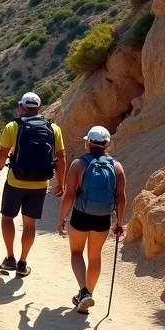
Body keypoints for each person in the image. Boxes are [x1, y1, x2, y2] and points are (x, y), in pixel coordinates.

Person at [0, 92, 66, 276]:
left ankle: (9, 259)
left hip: (16, 181)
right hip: (40, 183)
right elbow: (61, 157)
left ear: (21, 107)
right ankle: (23, 264)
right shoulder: (53, 128)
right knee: (29, 224)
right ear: (39, 108)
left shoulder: (13, 126)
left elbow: (3, 152)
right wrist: (61, 182)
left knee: (8, 218)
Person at [57, 125, 126, 313]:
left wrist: (62, 218)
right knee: (94, 256)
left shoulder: (78, 164)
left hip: (81, 215)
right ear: (107, 144)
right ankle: (87, 296)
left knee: (76, 253)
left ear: (88, 142)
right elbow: (121, 197)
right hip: (103, 218)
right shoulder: (116, 166)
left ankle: (84, 292)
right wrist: (119, 222)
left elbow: (69, 195)